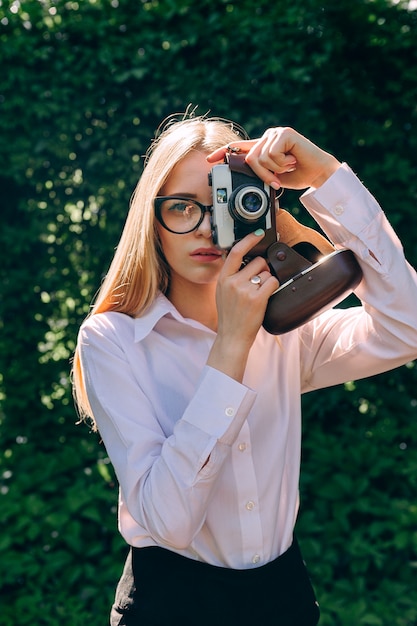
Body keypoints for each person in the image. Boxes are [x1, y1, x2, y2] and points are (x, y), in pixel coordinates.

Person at [72, 113, 417, 626]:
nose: (207, 227)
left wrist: (326, 178)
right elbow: (168, 522)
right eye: (183, 207)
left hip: (284, 599)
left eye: (229, 205)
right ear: (152, 219)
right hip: (170, 605)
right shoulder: (113, 340)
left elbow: (406, 327)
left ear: (261, 214)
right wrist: (232, 342)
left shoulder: (286, 331)